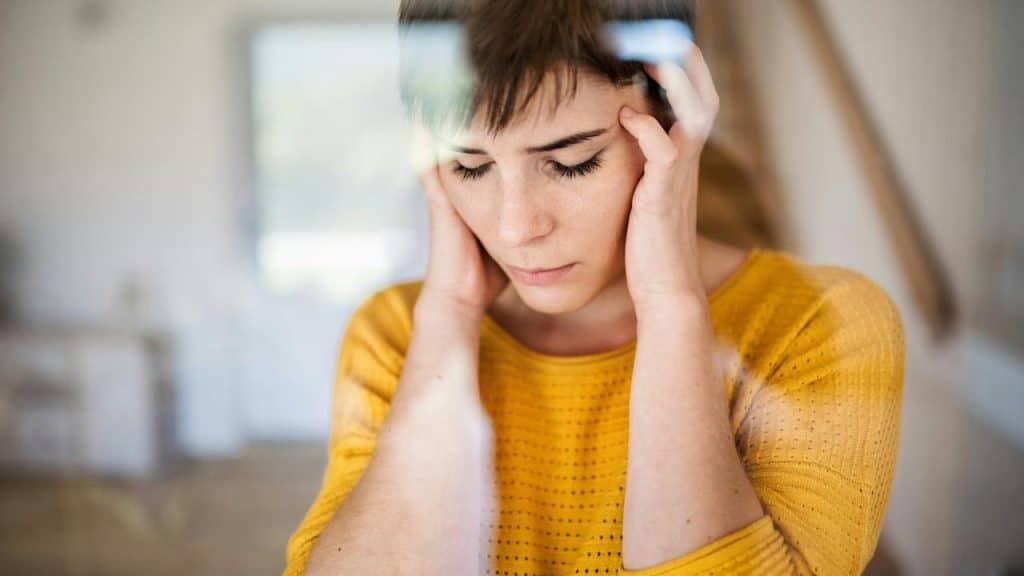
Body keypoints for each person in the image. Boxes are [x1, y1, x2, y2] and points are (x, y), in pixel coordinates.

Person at [284, 0, 905, 574]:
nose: (516, 227)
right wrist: (447, 315)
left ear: (676, 113)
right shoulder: (395, 333)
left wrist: (670, 306)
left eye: (571, 162)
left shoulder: (820, 323)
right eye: (470, 165)